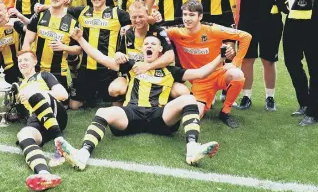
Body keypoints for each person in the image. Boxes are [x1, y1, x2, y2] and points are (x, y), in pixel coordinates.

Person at [56, 27, 224, 170]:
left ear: (160, 50)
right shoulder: (131, 66)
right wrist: (80, 39)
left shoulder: (171, 71)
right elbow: (100, 57)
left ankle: (192, 149)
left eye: (153, 44)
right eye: (146, 44)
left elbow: (201, 73)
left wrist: (221, 57)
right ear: (142, 49)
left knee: (189, 99)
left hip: (160, 115)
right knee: (103, 111)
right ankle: (83, 154)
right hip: (132, 113)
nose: (149, 46)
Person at [166, 0, 251, 128]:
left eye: (191, 15)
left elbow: (245, 36)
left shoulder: (213, 30)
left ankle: (225, 111)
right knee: (196, 115)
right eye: (185, 14)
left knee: (237, 74)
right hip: (200, 81)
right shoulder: (175, 32)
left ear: (200, 16)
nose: (187, 18)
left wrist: (235, 63)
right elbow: (155, 32)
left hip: (219, 74)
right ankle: (205, 103)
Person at [234, 0, 283, 111]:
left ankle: (270, 97)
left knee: (268, 60)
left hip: (271, 18)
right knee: (247, 59)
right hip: (247, 19)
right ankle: (246, 97)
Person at [67, 0, 131, 110]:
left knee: (117, 107)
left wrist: (129, 27)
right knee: (74, 106)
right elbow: (61, 11)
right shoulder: (81, 11)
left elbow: (136, 22)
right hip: (87, 69)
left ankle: (119, 89)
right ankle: (92, 93)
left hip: (109, 70)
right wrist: (44, 7)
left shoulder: (118, 14)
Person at [15, 51, 68, 191]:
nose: (22, 63)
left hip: (55, 113)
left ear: (35, 62)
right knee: (23, 134)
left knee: (34, 94)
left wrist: (36, 94)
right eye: (20, 61)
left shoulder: (44, 75)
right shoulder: (19, 87)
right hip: (37, 120)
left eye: (26, 59)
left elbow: (63, 94)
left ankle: (60, 144)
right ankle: (44, 174)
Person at [109, 0, 178, 101]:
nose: (137, 20)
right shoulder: (126, 33)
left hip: (156, 75)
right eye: (134, 17)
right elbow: (120, 52)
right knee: (114, 90)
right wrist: (118, 54)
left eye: (141, 16)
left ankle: (165, 101)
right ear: (130, 17)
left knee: (181, 92)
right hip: (134, 74)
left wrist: (147, 66)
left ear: (147, 15)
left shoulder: (158, 32)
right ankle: (131, 100)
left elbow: (170, 56)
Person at [22, 0, 82, 93]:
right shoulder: (39, 16)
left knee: (63, 103)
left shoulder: (72, 22)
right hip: (37, 69)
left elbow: (78, 49)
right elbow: (27, 41)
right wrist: (27, 64)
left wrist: (63, 47)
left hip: (58, 71)